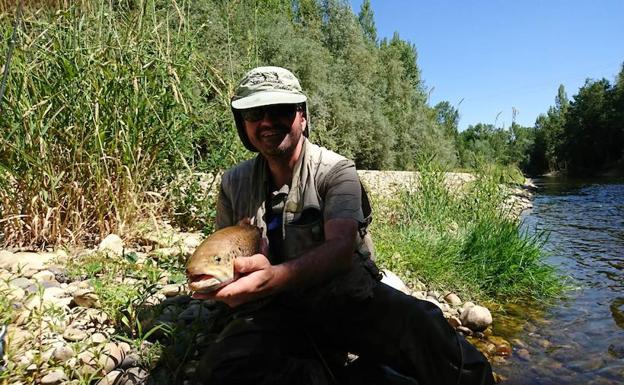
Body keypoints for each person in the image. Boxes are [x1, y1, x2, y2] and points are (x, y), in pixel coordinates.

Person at [193, 66, 495, 385]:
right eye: (254, 113)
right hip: (271, 310)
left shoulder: (337, 172)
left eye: (279, 110)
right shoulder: (233, 183)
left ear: (302, 117)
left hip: (344, 300)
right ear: (244, 124)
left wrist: (273, 277)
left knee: (423, 326)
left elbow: (340, 249)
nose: (266, 121)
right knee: (219, 371)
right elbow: (220, 249)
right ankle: (338, 374)